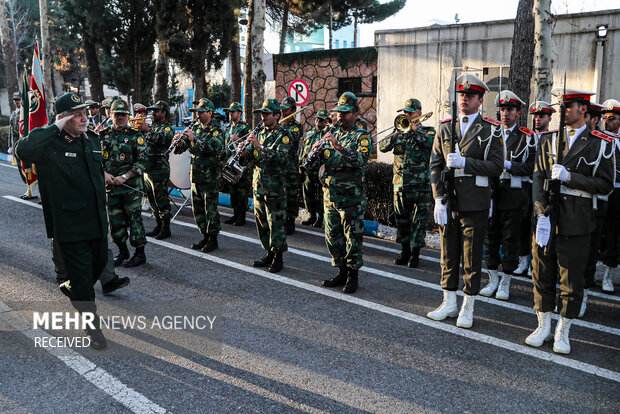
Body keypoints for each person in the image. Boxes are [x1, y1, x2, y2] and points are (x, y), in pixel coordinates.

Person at [15, 92, 109, 349]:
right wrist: (54, 125)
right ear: (64, 117)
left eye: (85, 113)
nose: (84, 118)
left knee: (99, 266)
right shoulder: (49, 144)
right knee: (83, 280)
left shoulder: (92, 140)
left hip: (98, 222)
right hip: (70, 225)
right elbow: (22, 149)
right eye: (77, 114)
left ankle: (74, 287)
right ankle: (94, 330)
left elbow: (94, 174)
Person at [526, 88, 614, 354]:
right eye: (563, 106)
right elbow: (539, 178)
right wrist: (540, 211)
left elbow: (605, 185)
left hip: (577, 220)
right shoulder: (550, 140)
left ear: (583, 110)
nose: (564, 110)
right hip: (547, 218)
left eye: (569, 106)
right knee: (542, 272)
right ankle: (543, 325)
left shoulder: (600, 143)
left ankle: (563, 330)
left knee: (571, 279)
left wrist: (570, 178)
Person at [427, 74, 504, 328]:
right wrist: (438, 198)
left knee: (471, 258)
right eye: (462, 95)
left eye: (470, 96)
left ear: (481, 100)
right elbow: (435, 166)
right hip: (450, 202)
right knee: (448, 255)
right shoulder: (446, 127)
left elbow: (496, 167)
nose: (465, 99)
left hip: (475, 202)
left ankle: (468, 306)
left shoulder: (491, 129)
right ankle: (449, 302)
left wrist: (466, 163)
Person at [481, 90, 535, 300]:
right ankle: (492, 278)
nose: (505, 113)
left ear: (518, 113)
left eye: (509, 110)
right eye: (502, 109)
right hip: (493, 193)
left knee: (510, 240)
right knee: (491, 237)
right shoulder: (490, 133)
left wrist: (510, 165)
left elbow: (531, 167)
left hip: (513, 194)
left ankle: (506, 281)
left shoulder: (526, 137)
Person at [316, 92, 372, 294]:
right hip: (330, 195)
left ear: (355, 114)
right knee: (333, 236)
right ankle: (340, 271)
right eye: (338, 112)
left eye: (345, 113)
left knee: (352, 238)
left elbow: (361, 159)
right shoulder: (332, 133)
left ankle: (352, 276)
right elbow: (323, 161)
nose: (340, 116)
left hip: (351, 198)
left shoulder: (361, 136)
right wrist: (317, 153)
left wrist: (337, 147)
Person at [379, 98, 435, 268]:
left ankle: (415, 254)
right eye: (405, 112)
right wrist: (397, 133)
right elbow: (382, 147)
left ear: (419, 112)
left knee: (419, 221)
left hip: (420, 186)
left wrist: (414, 131)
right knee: (402, 220)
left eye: (410, 112)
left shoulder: (428, 131)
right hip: (400, 185)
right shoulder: (400, 131)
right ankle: (404, 251)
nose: (407, 115)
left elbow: (429, 143)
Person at [241, 99, 290, 273]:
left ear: (277, 115)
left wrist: (260, 147)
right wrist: (245, 152)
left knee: (275, 224)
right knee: (262, 223)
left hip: (274, 188)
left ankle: (278, 257)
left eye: (267, 113)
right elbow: (252, 160)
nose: (263, 117)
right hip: (259, 185)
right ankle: (268, 252)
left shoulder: (283, 134)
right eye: (262, 113)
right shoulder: (259, 132)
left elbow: (281, 159)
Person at [100, 99, 149, 267]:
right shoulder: (103, 135)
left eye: (123, 114)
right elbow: (95, 159)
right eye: (116, 114)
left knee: (135, 221)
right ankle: (122, 251)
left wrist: (125, 176)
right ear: (110, 115)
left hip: (130, 188)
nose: (120, 117)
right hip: (111, 187)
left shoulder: (136, 136)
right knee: (115, 222)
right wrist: (104, 173)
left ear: (128, 116)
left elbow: (143, 161)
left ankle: (140, 254)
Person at [174, 98, 224, 252]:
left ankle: (213, 239)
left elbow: (212, 148)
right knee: (198, 210)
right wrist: (179, 143)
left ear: (210, 113)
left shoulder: (217, 130)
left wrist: (194, 138)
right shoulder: (195, 127)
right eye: (197, 112)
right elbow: (184, 148)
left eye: (201, 112)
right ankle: (204, 236)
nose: (198, 115)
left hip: (210, 177)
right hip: (195, 176)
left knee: (210, 210)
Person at [513, 101, 556, 276]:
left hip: (543, 189)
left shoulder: (553, 139)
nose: (537, 119)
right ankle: (523, 260)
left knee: (538, 224)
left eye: (541, 116)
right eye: (535, 116)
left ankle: (534, 262)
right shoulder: (527, 137)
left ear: (549, 118)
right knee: (523, 225)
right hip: (526, 187)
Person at [581, 101, 608, 314]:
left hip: (596, 205)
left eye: (586, 115)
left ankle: (583, 293)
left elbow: (606, 181)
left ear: (594, 119)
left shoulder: (605, 143)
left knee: (589, 252)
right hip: (571, 207)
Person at [141, 100, 174, 240]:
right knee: (152, 199)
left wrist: (147, 130)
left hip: (160, 168)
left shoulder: (167, 128)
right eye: (152, 110)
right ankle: (158, 225)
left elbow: (164, 140)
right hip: (148, 168)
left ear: (163, 113)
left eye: (156, 111)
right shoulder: (151, 126)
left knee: (161, 199)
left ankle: (166, 228)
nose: (152, 113)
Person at [599, 99, 620, 293]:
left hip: (617, 192)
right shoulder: (597, 139)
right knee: (595, 230)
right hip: (598, 190)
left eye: (612, 118)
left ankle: (607, 275)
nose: (607, 121)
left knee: (613, 234)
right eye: (604, 118)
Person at [299, 109, 329, 227]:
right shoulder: (310, 132)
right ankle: (311, 215)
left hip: (318, 170)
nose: (318, 121)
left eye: (321, 120)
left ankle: (320, 218)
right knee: (308, 193)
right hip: (308, 169)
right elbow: (304, 149)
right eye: (317, 118)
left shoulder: (326, 134)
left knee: (319, 196)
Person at [222, 101, 251, 226]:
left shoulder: (245, 128)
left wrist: (238, 139)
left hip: (240, 164)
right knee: (233, 190)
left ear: (239, 113)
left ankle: (242, 216)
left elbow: (249, 144)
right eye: (229, 112)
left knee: (241, 191)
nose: (230, 114)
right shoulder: (228, 128)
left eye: (232, 112)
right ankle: (235, 214)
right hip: (230, 163)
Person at [280, 96, 303, 235]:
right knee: (281, 195)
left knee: (291, 196)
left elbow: (292, 138)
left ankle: (290, 220)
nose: (283, 113)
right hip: (280, 167)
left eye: (286, 110)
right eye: (282, 110)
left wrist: (279, 128)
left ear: (293, 110)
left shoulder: (296, 126)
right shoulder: (281, 125)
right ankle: (282, 218)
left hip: (291, 167)